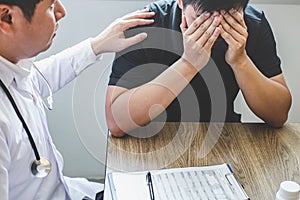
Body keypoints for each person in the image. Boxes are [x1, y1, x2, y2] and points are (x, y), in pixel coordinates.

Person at [0, 0, 154, 199]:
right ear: (7, 18)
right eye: (50, 6)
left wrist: (97, 45)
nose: (61, 12)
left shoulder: (13, 68)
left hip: (65, 190)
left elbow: (36, 79)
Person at [105, 0, 292, 137]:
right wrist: (188, 64)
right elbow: (116, 122)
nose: (215, 29)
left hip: (221, 136)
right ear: (180, 2)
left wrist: (240, 61)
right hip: (148, 141)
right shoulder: (148, 24)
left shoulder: (253, 24)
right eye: (202, 19)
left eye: (227, 19)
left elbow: (278, 115)